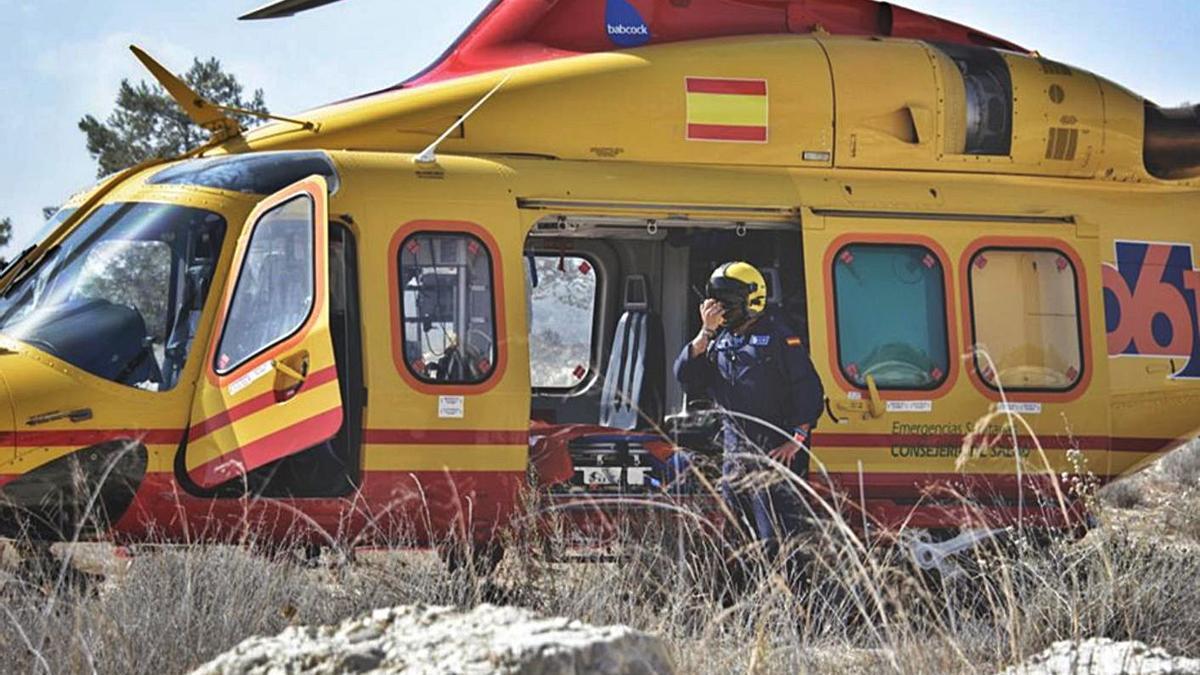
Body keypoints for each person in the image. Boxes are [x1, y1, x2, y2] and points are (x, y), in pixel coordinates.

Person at [673, 261, 824, 576]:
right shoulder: (719, 340)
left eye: (725, 304)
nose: (720, 311)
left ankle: (799, 612)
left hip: (774, 457)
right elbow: (685, 373)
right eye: (714, 303)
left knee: (779, 541)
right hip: (735, 457)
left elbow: (809, 391)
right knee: (737, 540)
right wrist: (706, 331)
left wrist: (795, 441)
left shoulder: (780, 338)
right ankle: (742, 614)